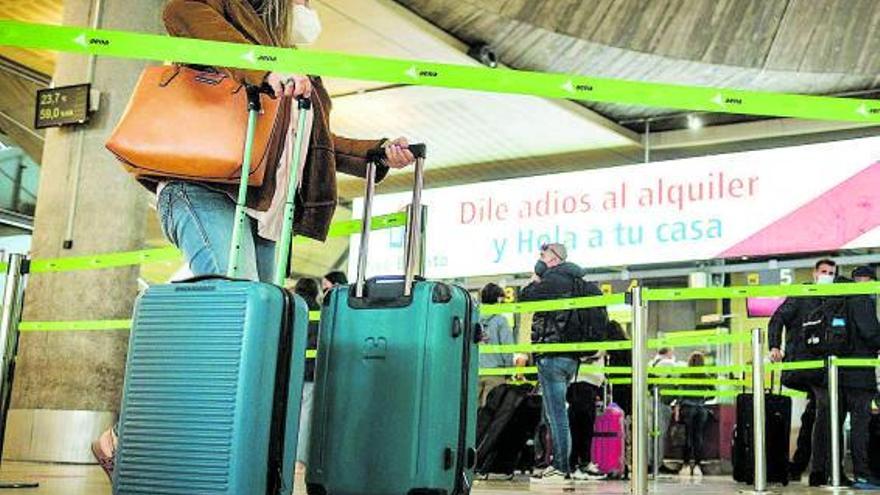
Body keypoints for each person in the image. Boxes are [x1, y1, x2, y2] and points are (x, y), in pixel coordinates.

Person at [91, 0, 416, 478]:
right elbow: (183, 16)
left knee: (256, 331)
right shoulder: (221, 18)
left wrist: (376, 152)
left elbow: (318, 141)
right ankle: (130, 435)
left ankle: (206, 442)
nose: (308, 8)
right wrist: (264, 69)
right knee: (233, 315)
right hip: (201, 188)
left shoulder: (292, 65)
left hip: (261, 211)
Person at [520, 242, 606, 482]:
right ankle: (561, 464)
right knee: (557, 413)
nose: (540, 257)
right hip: (571, 358)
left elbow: (524, 298)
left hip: (552, 354)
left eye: (543, 254)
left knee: (556, 415)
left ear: (555, 258)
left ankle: (560, 466)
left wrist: (536, 277)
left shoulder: (554, 279)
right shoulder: (579, 282)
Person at [768, 258, 837, 485]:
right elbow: (777, 318)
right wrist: (774, 346)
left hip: (823, 368)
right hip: (805, 366)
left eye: (831, 272)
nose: (827, 275)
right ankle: (818, 470)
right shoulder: (802, 294)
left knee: (813, 415)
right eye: (824, 271)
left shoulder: (833, 297)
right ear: (814, 273)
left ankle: (798, 466)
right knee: (823, 409)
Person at [842, 269, 880, 490]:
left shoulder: (843, 300)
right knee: (860, 426)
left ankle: (833, 472)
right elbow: (871, 334)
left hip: (842, 372)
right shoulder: (862, 300)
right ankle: (863, 475)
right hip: (860, 374)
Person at [293, 277, 320, 474]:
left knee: (288, 414)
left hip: (291, 371)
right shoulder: (321, 312)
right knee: (306, 416)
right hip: (311, 371)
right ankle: (300, 460)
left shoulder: (291, 308)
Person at [672, 351, 714, 477]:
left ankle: (685, 465)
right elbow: (713, 393)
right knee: (698, 437)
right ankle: (697, 466)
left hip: (687, 408)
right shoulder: (705, 376)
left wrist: (678, 408)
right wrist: (703, 400)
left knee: (687, 437)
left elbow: (679, 394)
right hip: (701, 409)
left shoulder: (684, 375)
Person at [477, 283, 514, 406]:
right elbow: (507, 348)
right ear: (498, 299)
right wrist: (508, 369)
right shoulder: (501, 320)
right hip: (495, 372)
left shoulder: (473, 318)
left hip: (474, 371)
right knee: (491, 412)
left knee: (473, 412)